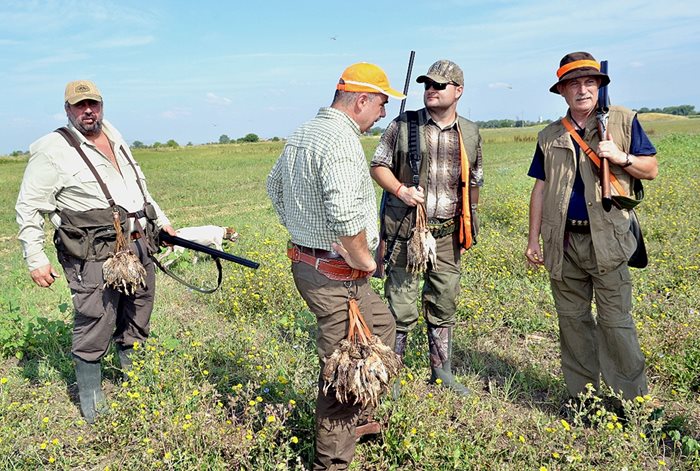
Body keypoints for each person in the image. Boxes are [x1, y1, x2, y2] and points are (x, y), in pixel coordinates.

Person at [267, 62, 403, 470]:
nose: (383, 114)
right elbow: (345, 218)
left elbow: (274, 188)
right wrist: (364, 260)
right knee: (342, 369)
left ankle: (361, 417)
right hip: (334, 275)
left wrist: (302, 228)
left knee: (381, 326)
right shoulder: (341, 142)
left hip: (316, 266)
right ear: (361, 100)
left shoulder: (305, 132)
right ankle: (333, 462)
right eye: (380, 104)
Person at [15, 80, 176, 423]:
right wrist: (35, 257)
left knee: (139, 308)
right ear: (68, 110)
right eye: (79, 105)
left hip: (137, 241)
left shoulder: (115, 136)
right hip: (92, 251)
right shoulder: (52, 148)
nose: (88, 110)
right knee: (96, 318)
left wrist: (162, 222)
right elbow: (28, 207)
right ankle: (92, 398)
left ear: (102, 105)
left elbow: (138, 188)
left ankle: (135, 381)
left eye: (94, 103)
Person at [524, 52, 658, 406]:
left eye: (589, 82)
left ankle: (630, 403)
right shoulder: (549, 135)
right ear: (563, 92)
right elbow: (540, 187)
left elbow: (651, 169)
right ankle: (582, 398)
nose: (583, 90)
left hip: (609, 242)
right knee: (572, 323)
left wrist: (620, 157)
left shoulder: (624, 122)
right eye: (574, 84)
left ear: (599, 86)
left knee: (616, 325)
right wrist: (533, 238)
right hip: (564, 243)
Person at [370, 60, 483, 396]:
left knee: (444, 300)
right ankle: (393, 377)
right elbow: (378, 165)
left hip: (448, 233)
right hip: (406, 230)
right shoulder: (404, 124)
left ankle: (441, 372)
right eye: (427, 85)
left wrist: (469, 221)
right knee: (400, 304)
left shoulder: (471, 132)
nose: (431, 90)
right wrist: (400, 191)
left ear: (458, 91)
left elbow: (474, 181)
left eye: (439, 85)